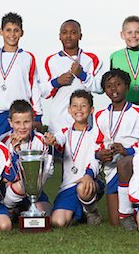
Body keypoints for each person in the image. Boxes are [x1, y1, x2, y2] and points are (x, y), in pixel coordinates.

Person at [94, 69, 139, 230]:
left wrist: (127, 151)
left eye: (118, 84)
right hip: (111, 169)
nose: (114, 89)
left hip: (133, 165)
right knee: (115, 222)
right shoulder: (100, 115)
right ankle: (128, 214)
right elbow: (96, 143)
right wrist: (100, 153)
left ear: (127, 86)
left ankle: (138, 210)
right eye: (109, 86)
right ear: (104, 90)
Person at [45, 90, 104, 227]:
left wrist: (88, 175)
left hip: (90, 182)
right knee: (57, 222)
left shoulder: (96, 133)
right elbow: (58, 141)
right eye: (75, 106)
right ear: (69, 110)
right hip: (68, 185)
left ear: (91, 110)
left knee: (83, 187)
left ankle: (91, 212)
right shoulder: (64, 132)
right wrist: (52, 141)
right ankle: (79, 214)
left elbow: (97, 159)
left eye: (83, 106)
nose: (79, 109)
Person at [0, 12, 43, 139]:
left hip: (22, 114)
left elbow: (34, 86)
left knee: (21, 151)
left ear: (21, 33)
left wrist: (38, 115)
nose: (12, 34)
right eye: (8, 30)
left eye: (16, 30)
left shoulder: (28, 57)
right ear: (1, 31)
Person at [42, 19, 106, 134]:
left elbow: (100, 88)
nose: (68, 36)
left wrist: (82, 75)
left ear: (80, 35)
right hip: (58, 123)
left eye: (73, 32)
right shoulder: (51, 60)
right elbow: (43, 92)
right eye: (64, 32)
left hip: (83, 122)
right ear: (60, 36)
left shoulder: (92, 59)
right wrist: (57, 82)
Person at [0, 100, 53, 218]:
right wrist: (15, 150)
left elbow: (48, 172)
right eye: (17, 122)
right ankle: (9, 209)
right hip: (10, 190)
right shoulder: (2, 141)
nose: (22, 127)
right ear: (10, 123)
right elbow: (7, 177)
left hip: (35, 191)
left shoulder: (41, 141)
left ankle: (25, 209)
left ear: (33, 121)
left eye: (26, 122)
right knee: (20, 185)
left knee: (46, 216)